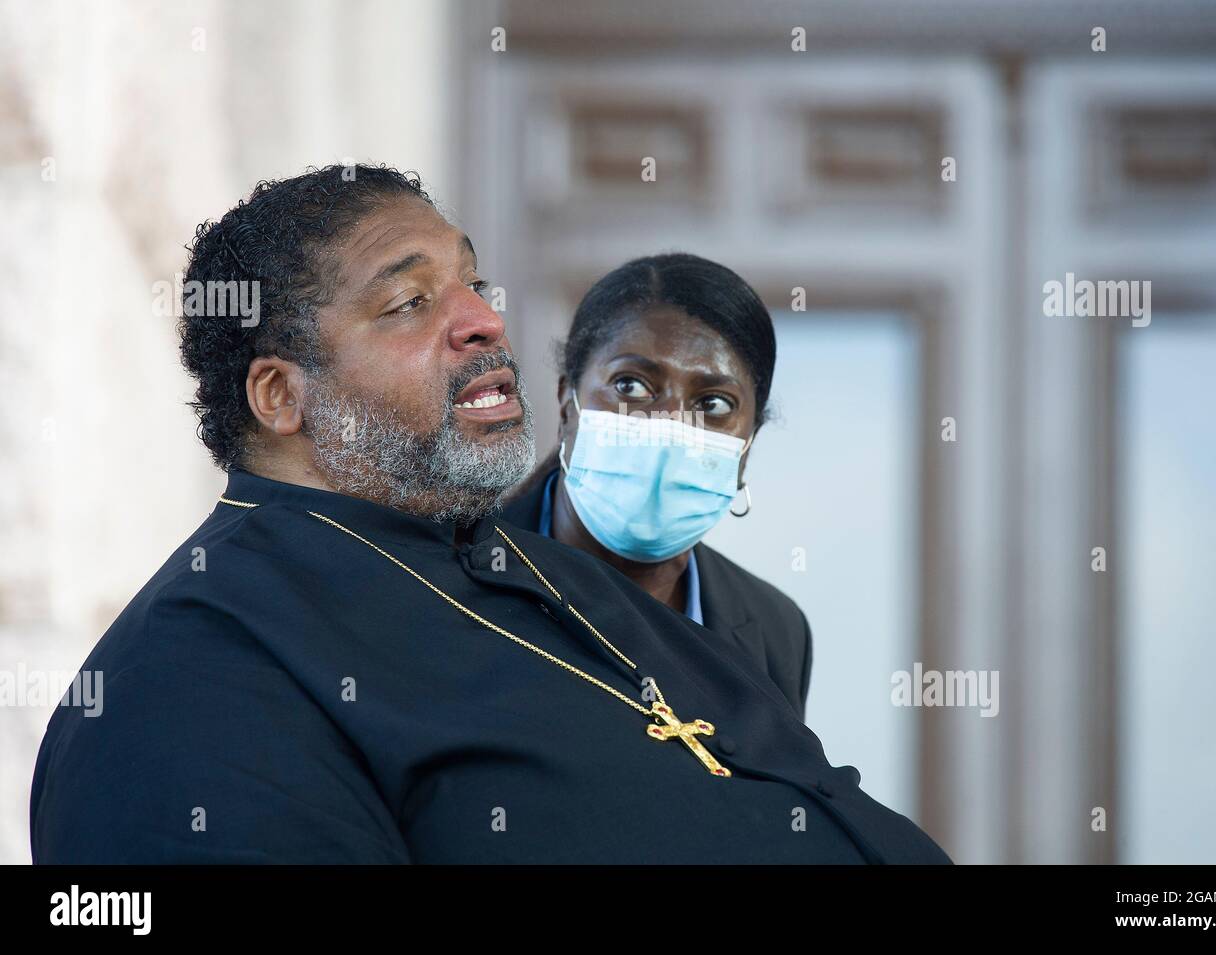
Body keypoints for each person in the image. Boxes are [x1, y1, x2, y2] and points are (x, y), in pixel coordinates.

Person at [29, 164, 950, 864]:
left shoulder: (559, 575)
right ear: (280, 395)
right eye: (410, 301)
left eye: (472, 281)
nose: (482, 320)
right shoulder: (187, 672)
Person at [502, 254, 814, 719]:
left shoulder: (775, 627)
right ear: (568, 404)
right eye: (630, 387)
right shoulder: (444, 576)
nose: (670, 426)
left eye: (712, 402)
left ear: (747, 447)